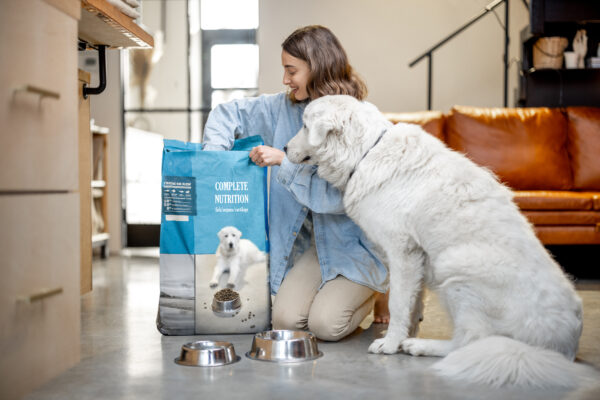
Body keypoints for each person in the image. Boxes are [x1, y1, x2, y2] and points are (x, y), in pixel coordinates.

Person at [202, 25, 388, 341]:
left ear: (317, 68)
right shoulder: (281, 107)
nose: (286, 79)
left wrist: (283, 161)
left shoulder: (358, 119)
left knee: (326, 326)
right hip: (311, 248)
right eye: (284, 70)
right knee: (286, 322)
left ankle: (379, 288)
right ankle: (339, 294)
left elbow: (338, 198)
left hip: (352, 245)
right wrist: (213, 161)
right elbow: (226, 113)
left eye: (292, 70)